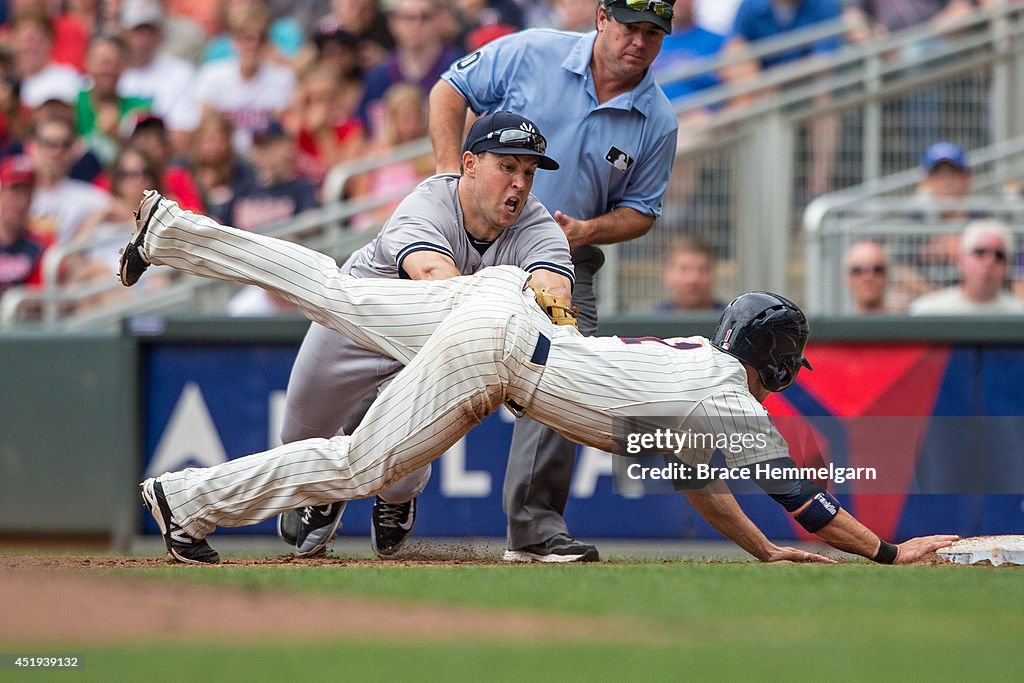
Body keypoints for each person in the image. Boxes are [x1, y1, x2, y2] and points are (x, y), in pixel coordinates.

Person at [118, 189, 958, 567]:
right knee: (355, 468)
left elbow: (703, 483)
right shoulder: (730, 401)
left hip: (498, 302)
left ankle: (172, 230)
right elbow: (811, 503)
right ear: (775, 360)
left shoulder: (703, 390)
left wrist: (763, 552)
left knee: (337, 289)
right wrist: (888, 551)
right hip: (502, 352)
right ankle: (186, 502)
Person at [426, 0, 678, 562]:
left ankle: (535, 531)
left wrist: (589, 228)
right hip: (469, 239)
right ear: (601, 18)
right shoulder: (531, 50)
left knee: (566, 375)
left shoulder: (657, 118)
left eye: (653, 33)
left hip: (565, 258)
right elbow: (448, 90)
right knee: (400, 354)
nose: (639, 42)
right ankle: (337, 488)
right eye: (630, 27)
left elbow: (642, 210)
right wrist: (449, 175)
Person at [275, 111, 574, 558]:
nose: (519, 183)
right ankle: (323, 492)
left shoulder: (536, 225)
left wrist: (545, 316)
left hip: (422, 349)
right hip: (357, 326)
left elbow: (556, 292)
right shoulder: (427, 204)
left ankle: (396, 501)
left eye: (528, 172)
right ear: (469, 164)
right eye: (507, 167)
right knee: (298, 439)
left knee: (403, 467)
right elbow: (435, 280)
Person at [193, 4, 297, 153]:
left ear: (268, 43)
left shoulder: (284, 78)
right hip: (225, 155)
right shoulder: (212, 75)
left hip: (267, 156)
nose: (253, 45)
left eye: (260, 39)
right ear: (234, 41)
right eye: (247, 38)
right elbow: (206, 127)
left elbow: (287, 130)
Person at [910, 219, 1024, 315]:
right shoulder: (928, 311)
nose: (989, 262)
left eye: (999, 255)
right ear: (961, 259)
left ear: (1008, 265)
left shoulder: (1018, 313)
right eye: (980, 252)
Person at [226, 120, 319, 232]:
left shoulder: (303, 189)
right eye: (259, 146)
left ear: (287, 146)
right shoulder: (243, 189)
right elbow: (220, 223)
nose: (263, 153)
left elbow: (311, 226)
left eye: (270, 145)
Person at [0, 155, 46, 296]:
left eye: (26, 194)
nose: (20, 202)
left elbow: (39, 298)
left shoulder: (40, 245)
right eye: (13, 192)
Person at [655, 235, 724, 312]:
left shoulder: (732, 320)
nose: (693, 279)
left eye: (702, 270)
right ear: (668, 274)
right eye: (684, 270)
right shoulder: (652, 321)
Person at [844, 239, 890, 315]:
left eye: (877, 270)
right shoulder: (837, 326)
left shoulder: (904, 325)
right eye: (857, 270)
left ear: (887, 276)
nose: (868, 277)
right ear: (847, 278)